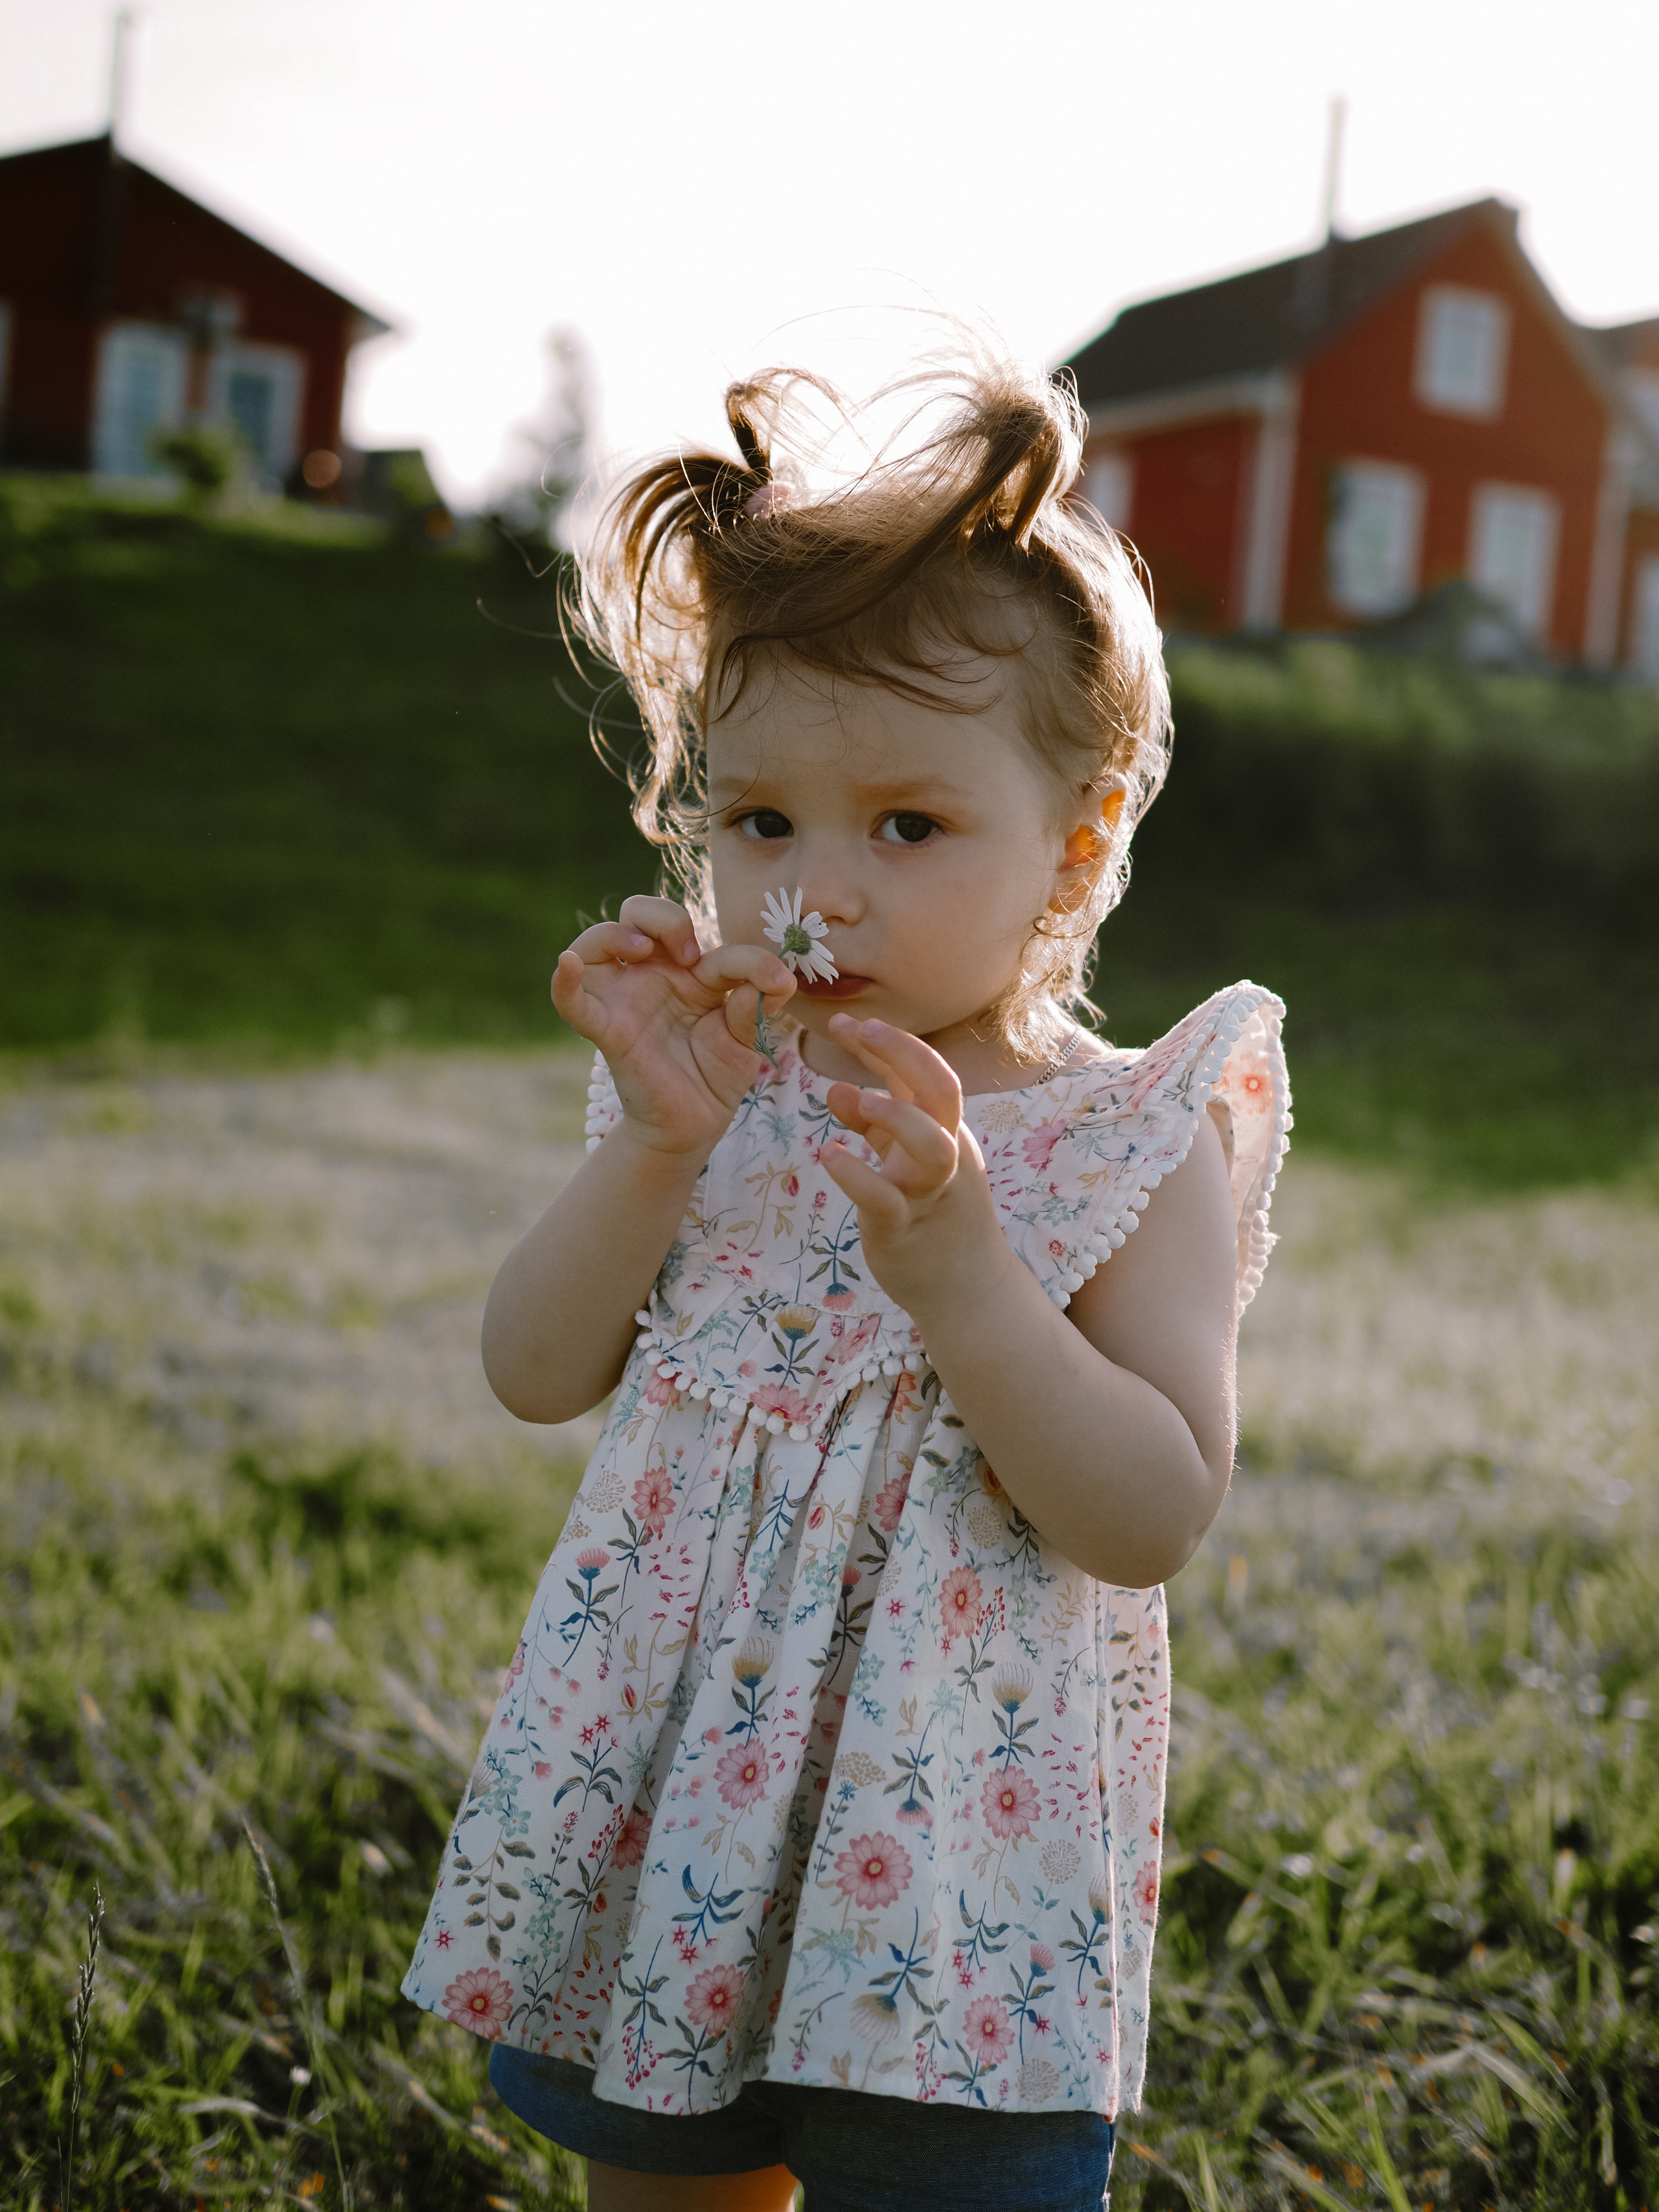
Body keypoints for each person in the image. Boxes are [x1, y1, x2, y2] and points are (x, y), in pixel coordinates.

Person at [402, 342, 1290, 2212]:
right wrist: (655, 1143)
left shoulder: (1126, 1140)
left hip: (952, 1857)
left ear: (1078, 845)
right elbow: (534, 1370)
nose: (821, 890)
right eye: (760, 823)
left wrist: (967, 1279)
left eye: (906, 824)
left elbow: (1149, 1513)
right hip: (674, 1800)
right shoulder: (714, 1097)